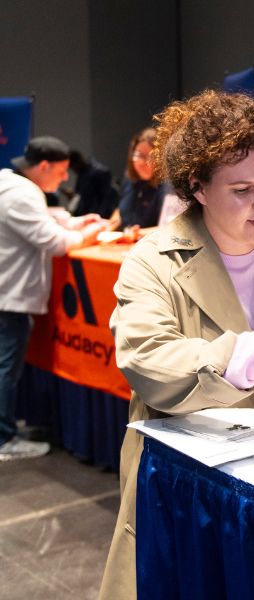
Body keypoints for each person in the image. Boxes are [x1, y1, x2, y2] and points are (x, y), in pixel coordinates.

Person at [99, 91, 254, 599]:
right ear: (200, 188)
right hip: (185, 488)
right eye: (242, 190)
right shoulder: (154, 261)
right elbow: (148, 361)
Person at [0, 136, 106, 461]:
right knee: (6, 369)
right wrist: (88, 232)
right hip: (9, 296)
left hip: (8, 294)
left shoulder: (10, 182)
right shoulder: (20, 193)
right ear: (43, 166)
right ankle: (5, 439)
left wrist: (75, 222)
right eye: (60, 172)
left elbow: (41, 221)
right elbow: (55, 242)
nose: (64, 179)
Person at [109, 128, 168, 230]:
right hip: (125, 243)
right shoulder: (129, 181)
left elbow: (168, 227)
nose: (141, 162)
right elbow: (120, 210)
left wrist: (139, 233)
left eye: (150, 157)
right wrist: (109, 225)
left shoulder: (167, 188)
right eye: (139, 155)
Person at [68, 149, 119, 219]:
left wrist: (100, 217)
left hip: (99, 215)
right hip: (85, 214)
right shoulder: (81, 173)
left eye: (72, 166)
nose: (73, 170)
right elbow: (80, 193)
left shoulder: (100, 172)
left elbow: (106, 198)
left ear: (77, 161)